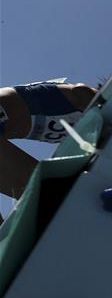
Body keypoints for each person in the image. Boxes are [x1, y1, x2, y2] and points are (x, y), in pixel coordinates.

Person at [0, 79, 97, 218]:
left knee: (34, 196)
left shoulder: (83, 129)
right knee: (46, 192)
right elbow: (82, 92)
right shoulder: (87, 96)